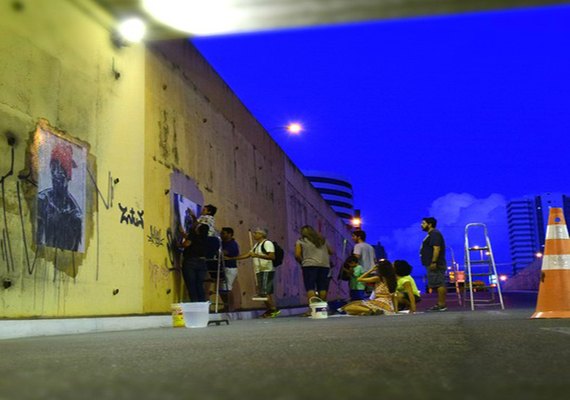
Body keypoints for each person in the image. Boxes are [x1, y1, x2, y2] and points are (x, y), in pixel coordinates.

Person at [37, 141, 82, 251]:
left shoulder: (76, 215)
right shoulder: (42, 201)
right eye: (53, 168)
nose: (55, 174)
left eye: (60, 169)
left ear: (68, 176)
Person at [231, 227, 280, 318]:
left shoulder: (267, 243)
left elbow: (272, 256)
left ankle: (273, 309)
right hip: (259, 270)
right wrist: (233, 258)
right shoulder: (257, 245)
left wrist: (257, 255)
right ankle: (270, 309)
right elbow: (249, 254)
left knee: (265, 292)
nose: (254, 234)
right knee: (263, 292)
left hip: (266, 270)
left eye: (256, 233)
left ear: (262, 234)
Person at [295, 225, 333, 316]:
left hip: (309, 265)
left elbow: (297, 255)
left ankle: (312, 310)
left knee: (310, 287)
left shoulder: (301, 241)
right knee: (322, 287)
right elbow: (331, 252)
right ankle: (322, 309)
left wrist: (303, 261)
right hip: (324, 266)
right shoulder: (322, 240)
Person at [420, 217, 448, 311]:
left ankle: (441, 305)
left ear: (430, 224)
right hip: (432, 263)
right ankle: (440, 304)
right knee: (436, 283)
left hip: (436, 264)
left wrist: (434, 262)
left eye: (423, 223)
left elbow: (436, 248)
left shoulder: (434, 234)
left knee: (439, 283)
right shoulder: (431, 234)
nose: (421, 225)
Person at [180, 223, 210, 302]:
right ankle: (202, 306)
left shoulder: (193, 235)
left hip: (190, 262)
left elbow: (186, 244)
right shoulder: (207, 239)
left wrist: (178, 245)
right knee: (199, 285)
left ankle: (195, 305)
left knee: (191, 286)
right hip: (202, 263)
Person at [221, 227, 240, 291]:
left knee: (226, 289)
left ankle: (229, 300)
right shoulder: (223, 242)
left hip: (230, 268)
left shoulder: (233, 244)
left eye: (223, 233)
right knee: (223, 289)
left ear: (229, 234)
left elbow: (224, 252)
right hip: (224, 268)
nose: (221, 235)